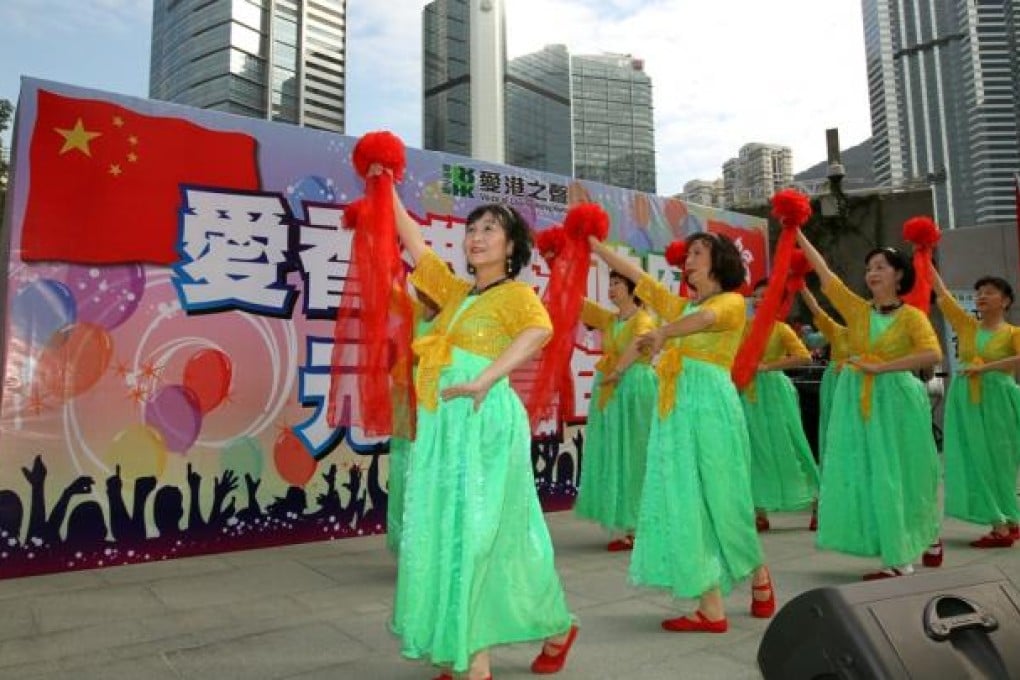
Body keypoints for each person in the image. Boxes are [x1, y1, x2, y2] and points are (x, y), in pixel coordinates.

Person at [387, 175, 576, 680]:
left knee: (476, 532)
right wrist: (383, 182)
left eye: (490, 229)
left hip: (484, 423)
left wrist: (486, 379)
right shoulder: (455, 293)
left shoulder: (514, 294)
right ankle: (498, 636)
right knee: (455, 529)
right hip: (446, 427)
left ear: (511, 246)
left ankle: (474, 660)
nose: (476, 236)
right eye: (472, 229)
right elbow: (414, 242)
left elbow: (540, 330)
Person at [590, 232, 774, 633]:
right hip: (675, 407)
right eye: (687, 253)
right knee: (686, 500)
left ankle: (759, 575)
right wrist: (596, 245)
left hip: (711, 408)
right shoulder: (681, 306)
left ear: (718, 262)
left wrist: (665, 333)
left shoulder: (731, 302)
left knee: (725, 498)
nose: (688, 260)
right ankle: (711, 608)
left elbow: (706, 319)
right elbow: (643, 279)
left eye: (697, 253)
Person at [796, 232, 942, 579]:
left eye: (881, 266)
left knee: (900, 472)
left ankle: (903, 556)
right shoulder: (858, 311)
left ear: (899, 275)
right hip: (860, 402)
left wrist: (881, 366)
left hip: (897, 401)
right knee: (873, 473)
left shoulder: (911, 317)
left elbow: (932, 354)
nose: (872, 272)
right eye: (869, 268)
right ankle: (906, 545)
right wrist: (797, 230)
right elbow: (826, 276)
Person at [931, 267, 1020, 547]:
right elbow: (943, 296)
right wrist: (924, 256)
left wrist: (986, 368)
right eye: (979, 292)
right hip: (967, 399)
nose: (982, 296)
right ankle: (1003, 523)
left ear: (1005, 301)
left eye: (990, 292)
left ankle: (1007, 522)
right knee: (975, 457)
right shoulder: (967, 326)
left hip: (998, 400)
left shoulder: (1013, 333)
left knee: (1000, 461)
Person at [574, 271, 657, 551]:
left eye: (617, 284)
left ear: (633, 289)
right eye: (609, 284)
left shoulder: (643, 319)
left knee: (636, 452)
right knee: (616, 452)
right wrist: (559, 262)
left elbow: (639, 344)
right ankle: (627, 522)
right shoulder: (611, 320)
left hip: (634, 388)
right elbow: (577, 302)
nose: (611, 289)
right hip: (611, 388)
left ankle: (639, 525)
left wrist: (619, 371)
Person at [741, 281, 818, 533]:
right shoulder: (744, 328)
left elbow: (804, 356)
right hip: (747, 394)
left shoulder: (781, 329)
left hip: (774, 393)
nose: (759, 300)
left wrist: (767, 366)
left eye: (765, 296)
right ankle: (759, 511)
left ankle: (818, 501)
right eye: (755, 295)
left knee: (790, 446)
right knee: (751, 450)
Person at [386, 290, 439, 555]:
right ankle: (408, 543)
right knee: (405, 467)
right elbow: (386, 285)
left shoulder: (453, 318)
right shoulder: (414, 312)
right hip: (406, 395)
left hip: (434, 398)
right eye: (420, 285)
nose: (424, 291)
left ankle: (430, 545)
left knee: (431, 468)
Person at [799, 286, 850, 466]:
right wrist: (801, 285)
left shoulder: (873, 333)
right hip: (835, 383)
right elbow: (815, 308)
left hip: (859, 383)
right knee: (834, 427)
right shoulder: (836, 331)